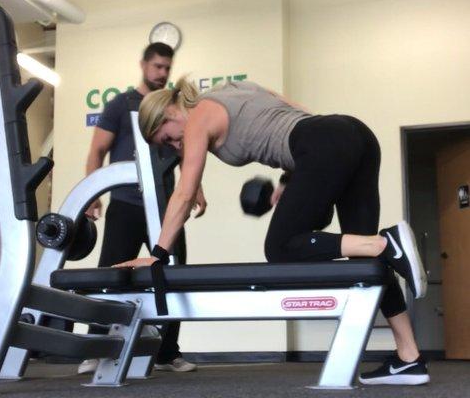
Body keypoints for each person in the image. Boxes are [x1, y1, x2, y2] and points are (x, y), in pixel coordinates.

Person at [117, 77, 430, 386]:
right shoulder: (234, 89)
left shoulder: (198, 116)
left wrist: (157, 255)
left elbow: (183, 194)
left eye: (168, 138)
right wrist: (288, 180)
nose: (175, 146)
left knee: (280, 247)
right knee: (365, 262)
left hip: (322, 145)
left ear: (169, 114)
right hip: (352, 134)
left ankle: (384, 244)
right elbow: (296, 113)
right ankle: (409, 357)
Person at [82, 45, 203, 374]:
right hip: (126, 203)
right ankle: (94, 348)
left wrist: (197, 191)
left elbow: (182, 151)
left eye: (167, 68)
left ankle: (167, 353)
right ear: (143, 65)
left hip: (166, 206)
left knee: (173, 273)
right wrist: (93, 193)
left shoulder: (171, 108)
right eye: (157, 66)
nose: (163, 73)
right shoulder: (120, 104)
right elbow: (97, 151)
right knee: (110, 276)